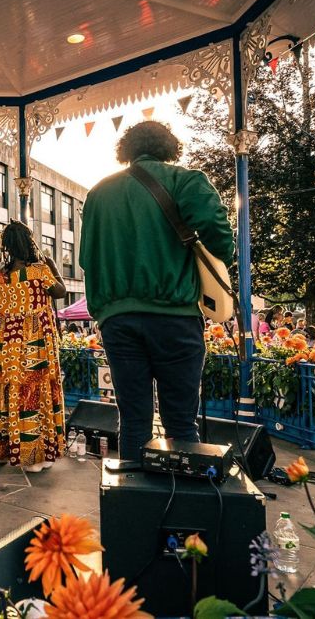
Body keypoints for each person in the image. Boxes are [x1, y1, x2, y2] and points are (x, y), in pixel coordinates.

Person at [79, 121, 234, 464]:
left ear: (127, 151)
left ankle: (134, 503)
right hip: (175, 317)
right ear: (170, 148)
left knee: (134, 419)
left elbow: (86, 260)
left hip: (118, 320)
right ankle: (180, 504)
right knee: (180, 422)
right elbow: (220, 236)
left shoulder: (98, 193)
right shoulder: (185, 180)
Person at [0, 221, 67, 472]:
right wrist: (52, 265)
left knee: (6, 389)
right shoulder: (40, 271)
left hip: (6, 343)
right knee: (34, 390)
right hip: (34, 341)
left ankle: (2, 450)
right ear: (29, 243)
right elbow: (60, 292)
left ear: (6, 247)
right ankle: (34, 457)